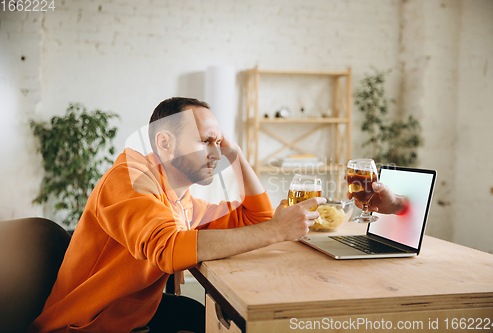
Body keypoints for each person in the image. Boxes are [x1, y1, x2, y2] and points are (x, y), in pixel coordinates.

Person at [28, 97, 406, 333]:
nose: (216, 150)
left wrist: (235, 153)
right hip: (84, 327)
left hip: (134, 318)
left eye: (218, 141)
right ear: (165, 142)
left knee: (204, 316)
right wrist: (277, 231)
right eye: (206, 141)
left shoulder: (182, 198)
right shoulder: (131, 177)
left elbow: (254, 219)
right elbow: (168, 249)